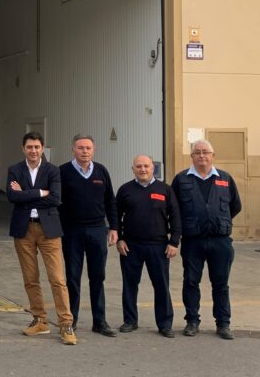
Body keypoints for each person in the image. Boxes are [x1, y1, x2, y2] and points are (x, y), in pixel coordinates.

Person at [7, 132, 77, 345]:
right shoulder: (15, 170)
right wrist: (39, 193)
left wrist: (26, 194)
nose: (33, 151)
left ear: (42, 148)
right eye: (29, 147)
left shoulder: (52, 170)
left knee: (57, 279)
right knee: (30, 279)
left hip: (49, 231)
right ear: (23, 148)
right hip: (24, 229)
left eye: (37, 147)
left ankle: (66, 324)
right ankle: (40, 320)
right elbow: (12, 197)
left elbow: (55, 199)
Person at [172, 139, 242, 340]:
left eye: (205, 152)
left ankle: (223, 324)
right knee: (191, 281)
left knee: (221, 284)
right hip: (193, 241)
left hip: (220, 241)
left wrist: (217, 220)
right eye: (197, 152)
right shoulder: (182, 179)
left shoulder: (225, 178)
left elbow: (235, 206)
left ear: (213, 155)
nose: (202, 155)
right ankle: (192, 321)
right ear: (191, 156)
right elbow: (174, 209)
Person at [59, 134, 119, 336]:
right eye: (80, 148)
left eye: (88, 148)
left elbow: (110, 200)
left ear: (93, 150)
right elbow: (57, 203)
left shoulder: (101, 171)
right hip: (72, 231)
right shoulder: (63, 172)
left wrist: (113, 228)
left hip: (97, 230)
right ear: (73, 150)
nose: (84, 151)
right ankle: (71, 320)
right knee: (73, 277)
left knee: (97, 277)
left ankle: (99, 321)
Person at [115, 155, 181, 338]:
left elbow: (176, 217)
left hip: (158, 246)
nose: (142, 169)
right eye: (138, 166)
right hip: (131, 246)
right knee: (130, 285)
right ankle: (130, 320)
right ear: (133, 169)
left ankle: (165, 324)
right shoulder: (125, 190)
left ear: (153, 168)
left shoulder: (165, 190)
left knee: (161, 285)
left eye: (146, 166)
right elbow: (116, 216)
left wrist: (174, 241)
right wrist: (119, 239)